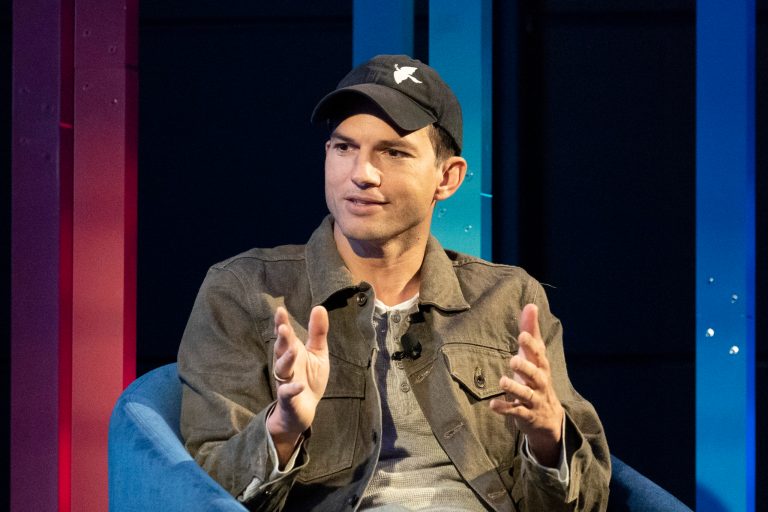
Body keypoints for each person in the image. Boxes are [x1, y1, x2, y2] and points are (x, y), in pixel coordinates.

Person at [178, 54, 610, 512]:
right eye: (344, 147)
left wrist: (548, 440)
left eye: (394, 152)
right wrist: (281, 429)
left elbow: (592, 497)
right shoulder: (246, 291)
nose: (361, 173)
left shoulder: (509, 300)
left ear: (447, 178)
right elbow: (197, 489)